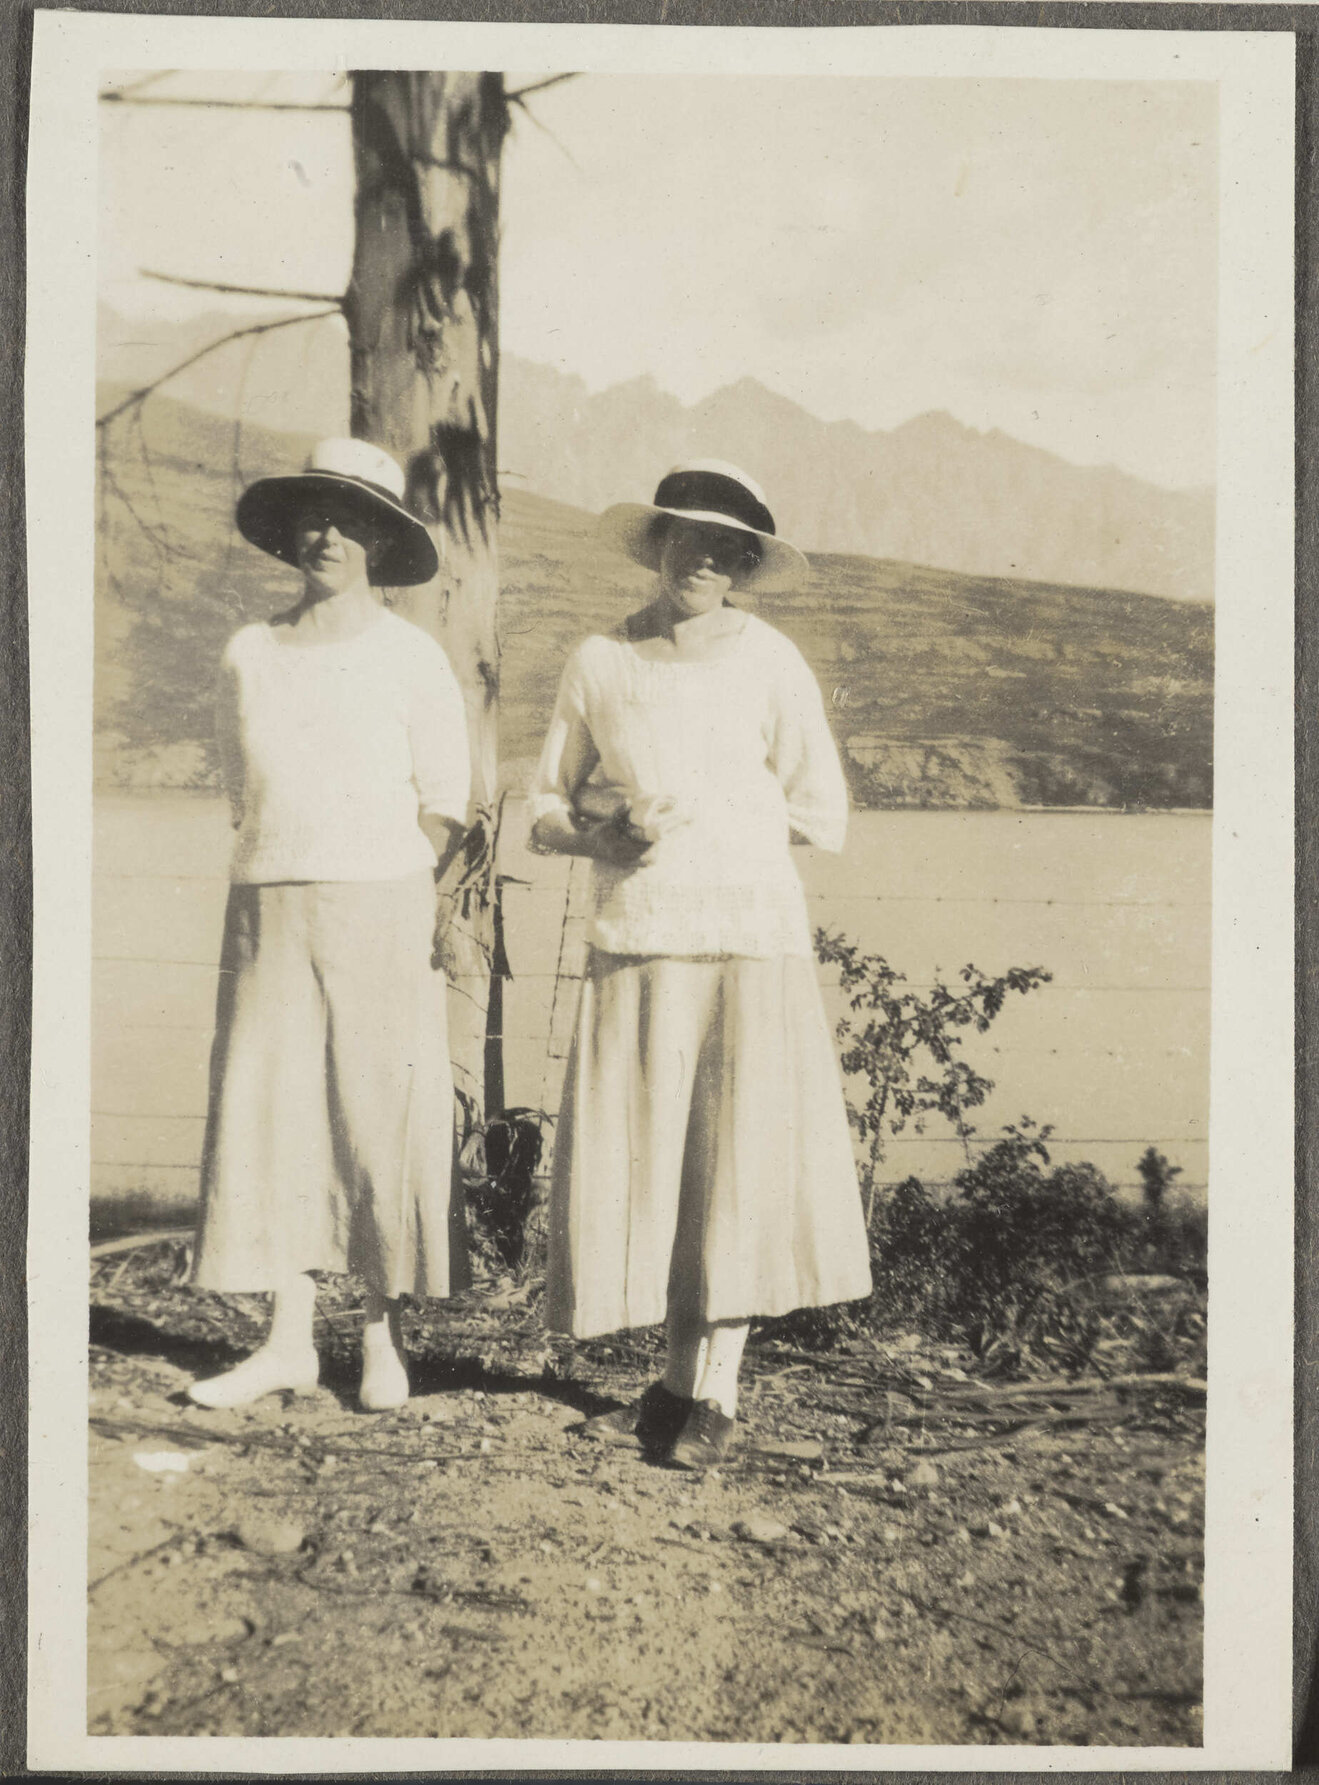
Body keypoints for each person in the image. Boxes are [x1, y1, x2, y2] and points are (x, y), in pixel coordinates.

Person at [528, 460, 873, 1468]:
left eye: (730, 550)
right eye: (689, 538)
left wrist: (726, 839)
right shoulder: (599, 660)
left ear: (746, 565)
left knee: (738, 1167)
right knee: (663, 1174)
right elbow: (544, 804)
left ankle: (714, 1394)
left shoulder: (773, 663)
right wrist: (602, 836)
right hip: (637, 939)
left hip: (749, 946)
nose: (706, 561)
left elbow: (816, 810)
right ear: (658, 543)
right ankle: (675, 1383)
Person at [187, 438, 471, 1414]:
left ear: (382, 540)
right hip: (267, 900)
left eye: (351, 521)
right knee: (274, 1111)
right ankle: (285, 1341)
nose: (327, 535)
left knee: (372, 1114)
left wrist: (395, 891)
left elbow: (444, 800)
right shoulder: (248, 654)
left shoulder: (410, 656)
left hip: (380, 901)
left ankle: (380, 1340)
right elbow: (242, 790)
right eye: (314, 515)